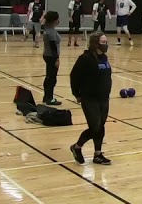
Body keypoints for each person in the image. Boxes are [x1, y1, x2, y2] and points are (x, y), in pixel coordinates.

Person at [69, 32, 113, 166]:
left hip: (104, 97)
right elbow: (74, 76)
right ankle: (77, 147)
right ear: (95, 44)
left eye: (106, 42)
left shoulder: (104, 58)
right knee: (95, 126)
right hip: (89, 98)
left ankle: (98, 154)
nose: (106, 44)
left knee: (101, 126)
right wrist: (76, 94)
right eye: (103, 42)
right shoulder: (85, 59)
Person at [41, 11, 62, 106]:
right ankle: (49, 98)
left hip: (47, 55)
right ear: (54, 20)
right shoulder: (51, 32)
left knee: (49, 77)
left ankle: (46, 97)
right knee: (52, 78)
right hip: (51, 56)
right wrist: (56, 59)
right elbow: (53, 47)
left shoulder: (46, 28)